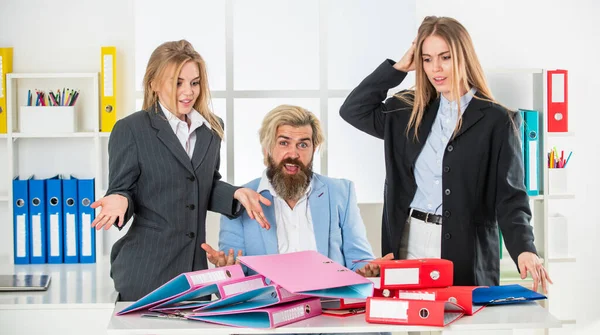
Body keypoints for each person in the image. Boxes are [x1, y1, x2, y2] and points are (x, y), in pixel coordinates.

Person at [339, 16, 552, 292]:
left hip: (464, 246)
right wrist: (400, 67)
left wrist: (525, 248)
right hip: (408, 240)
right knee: (412, 325)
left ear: (463, 56)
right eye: (426, 59)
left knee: (460, 324)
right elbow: (353, 110)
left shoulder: (497, 121)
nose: (435, 68)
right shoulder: (405, 111)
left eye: (445, 57)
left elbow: (511, 197)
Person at [89, 40, 271, 301]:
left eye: (194, 82)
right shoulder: (131, 129)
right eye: (177, 82)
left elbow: (204, 183)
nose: (188, 92)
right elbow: (122, 190)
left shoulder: (211, 127)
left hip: (195, 274)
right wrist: (119, 199)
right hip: (146, 271)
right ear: (153, 83)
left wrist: (236, 194)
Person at [202, 104, 392, 277]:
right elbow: (235, 275)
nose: (294, 154)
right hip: (270, 308)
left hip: (328, 307)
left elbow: (359, 260)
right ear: (267, 148)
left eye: (303, 144)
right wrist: (226, 270)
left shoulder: (340, 192)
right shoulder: (240, 199)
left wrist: (369, 270)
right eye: (284, 143)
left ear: (313, 148)